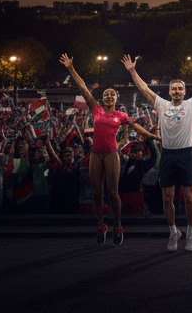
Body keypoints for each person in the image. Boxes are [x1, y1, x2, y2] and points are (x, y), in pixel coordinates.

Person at [122, 51, 192, 252]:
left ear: (184, 91)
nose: (176, 91)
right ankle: (173, 231)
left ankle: (190, 232)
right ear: (169, 91)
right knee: (167, 197)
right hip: (167, 155)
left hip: (185, 154)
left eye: (180, 89)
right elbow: (144, 88)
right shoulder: (161, 104)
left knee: (189, 196)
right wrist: (132, 72)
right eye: (173, 89)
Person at [58, 54, 159, 245]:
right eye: (106, 94)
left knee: (113, 192)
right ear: (102, 98)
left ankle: (118, 225)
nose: (109, 96)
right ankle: (100, 225)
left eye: (112, 94)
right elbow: (83, 88)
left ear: (116, 97)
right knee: (97, 193)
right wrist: (71, 68)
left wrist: (152, 136)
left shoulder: (121, 115)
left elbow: (135, 126)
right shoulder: (96, 109)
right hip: (96, 154)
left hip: (112, 154)